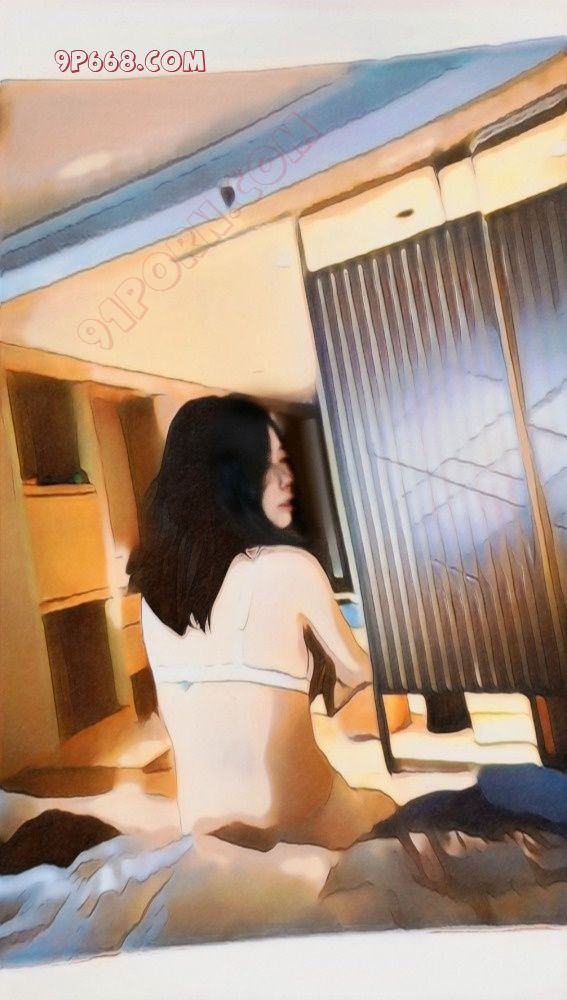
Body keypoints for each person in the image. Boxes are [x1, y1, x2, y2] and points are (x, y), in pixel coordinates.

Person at [128, 393, 397, 850]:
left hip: (203, 825)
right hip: (300, 815)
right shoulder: (289, 566)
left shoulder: (153, 595)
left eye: (284, 462)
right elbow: (360, 673)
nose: (287, 478)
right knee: (387, 809)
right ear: (229, 478)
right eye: (268, 466)